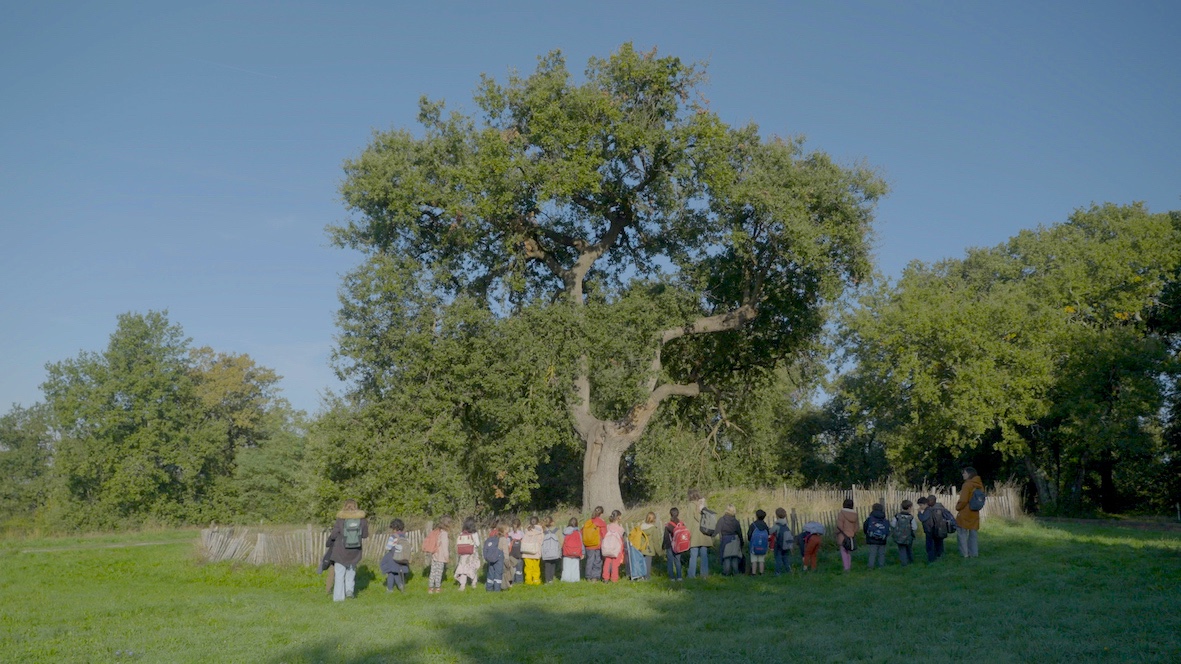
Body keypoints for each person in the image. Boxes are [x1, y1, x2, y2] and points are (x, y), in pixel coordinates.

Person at [325, 499, 368, 602]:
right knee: (351, 571)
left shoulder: (341, 519)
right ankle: (349, 591)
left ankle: (339, 599)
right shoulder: (362, 519)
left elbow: (334, 534)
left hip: (340, 550)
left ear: (344, 506)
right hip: (355, 551)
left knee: (339, 574)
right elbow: (365, 535)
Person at [956, 467, 984, 558]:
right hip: (975, 512)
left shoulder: (967, 485)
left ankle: (965, 554)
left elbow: (963, 500)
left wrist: (958, 507)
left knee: (962, 533)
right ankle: (974, 554)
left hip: (965, 512)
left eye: (964, 473)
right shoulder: (979, 485)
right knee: (973, 534)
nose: (963, 475)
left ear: (969, 474)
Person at [687, 490, 713, 579]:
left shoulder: (691, 505)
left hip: (694, 532)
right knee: (704, 555)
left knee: (693, 555)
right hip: (704, 532)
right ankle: (704, 575)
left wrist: (688, 533)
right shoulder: (704, 504)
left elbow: (690, 519)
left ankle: (691, 575)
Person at [917, 495, 951, 562]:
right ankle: (940, 558)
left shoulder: (928, 510)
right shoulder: (936, 509)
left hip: (929, 530)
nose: (920, 507)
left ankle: (931, 559)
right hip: (937, 529)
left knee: (930, 546)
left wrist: (919, 513)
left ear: (925, 504)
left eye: (921, 505)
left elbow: (923, 519)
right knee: (939, 544)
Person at [380, 519, 411, 592]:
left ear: (394, 528)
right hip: (402, 557)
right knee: (396, 572)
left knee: (391, 572)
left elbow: (388, 547)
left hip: (393, 557)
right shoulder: (404, 536)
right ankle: (400, 585)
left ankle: (390, 589)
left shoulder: (393, 537)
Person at [453, 517, 481, 591]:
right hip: (472, 553)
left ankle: (462, 585)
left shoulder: (462, 533)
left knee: (463, 569)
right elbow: (478, 544)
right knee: (473, 568)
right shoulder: (474, 533)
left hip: (463, 554)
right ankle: (474, 583)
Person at [717, 504, 744, 576]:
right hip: (734, 539)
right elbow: (739, 532)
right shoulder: (736, 521)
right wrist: (741, 542)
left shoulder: (722, 520)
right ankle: (736, 572)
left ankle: (726, 572)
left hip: (725, 539)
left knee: (726, 557)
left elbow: (717, 530)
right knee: (734, 557)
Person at [427, 516, 451, 594]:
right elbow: (445, 546)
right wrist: (447, 557)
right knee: (439, 572)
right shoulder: (444, 534)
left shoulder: (437, 531)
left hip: (434, 554)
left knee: (433, 571)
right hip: (441, 556)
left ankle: (430, 588)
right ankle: (437, 588)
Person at [582, 507, 607, 582]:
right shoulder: (601, 522)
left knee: (589, 560)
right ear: (601, 514)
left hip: (588, 545)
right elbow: (604, 534)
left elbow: (582, 532)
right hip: (597, 545)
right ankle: (595, 577)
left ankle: (588, 576)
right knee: (597, 561)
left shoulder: (588, 522)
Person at [890, 500, 919, 567]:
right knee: (909, 549)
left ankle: (904, 563)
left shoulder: (897, 516)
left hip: (899, 536)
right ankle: (911, 561)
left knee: (902, 549)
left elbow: (893, 524)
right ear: (909, 508)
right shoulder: (911, 517)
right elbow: (914, 527)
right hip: (909, 537)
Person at [863, 502, 890, 569]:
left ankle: (870, 566)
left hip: (872, 539)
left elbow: (865, 527)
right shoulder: (884, 519)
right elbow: (888, 529)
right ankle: (881, 566)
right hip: (882, 539)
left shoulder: (870, 518)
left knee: (872, 553)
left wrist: (867, 534)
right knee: (881, 554)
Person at [601, 510, 626, 582]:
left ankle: (605, 577)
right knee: (615, 563)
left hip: (607, 548)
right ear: (618, 517)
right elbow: (621, 538)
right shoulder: (620, 529)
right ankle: (614, 578)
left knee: (607, 562)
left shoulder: (607, 526)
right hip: (616, 548)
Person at [836, 498, 858, 572]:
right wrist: (853, 532)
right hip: (851, 535)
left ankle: (846, 568)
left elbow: (839, 525)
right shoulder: (855, 515)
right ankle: (849, 566)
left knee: (843, 552)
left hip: (843, 536)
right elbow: (857, 527)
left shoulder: (841, 514)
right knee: (849, 552)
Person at [664, 507, 686, 581]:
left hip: (670, 545)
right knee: (678, 560)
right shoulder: (682, 523)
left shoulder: (668, 525)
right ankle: (679, 577)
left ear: (670, 514)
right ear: (678, 514)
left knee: (670, 561)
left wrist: (664, 546)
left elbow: (666, 537)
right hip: (679, 545)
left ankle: (672, 577)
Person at [747, 509, 771, 576]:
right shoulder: (765, 526)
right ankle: (761, 573)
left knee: (754, 560)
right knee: (761, 560)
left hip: (754, 546)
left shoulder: (753, 525)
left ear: (756, 516)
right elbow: (768, 535)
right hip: (763, 546)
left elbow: (749, 535)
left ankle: (753, 573)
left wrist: (750, 541)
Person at [636, 511, 659, 580]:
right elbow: (656, 541)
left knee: (641, 563)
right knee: (648, 564)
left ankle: (640, 576)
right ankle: (647, 577)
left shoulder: (641, 527)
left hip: (641, 548)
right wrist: (659, 551)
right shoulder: (653, 529)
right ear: (654, 519)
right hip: (649, 549)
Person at [484, 520, 505, 592]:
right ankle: (497, 589)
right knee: (498, 573)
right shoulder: (501, 535)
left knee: (491, 573)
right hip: (498, 556)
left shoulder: (491, 533)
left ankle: (489, 588)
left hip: (490, 556)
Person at [522, 516, 544, 585]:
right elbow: (541, 541)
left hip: (527, 552)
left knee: (528, 568)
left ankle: (528, 581)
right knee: (536, 568)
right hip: (536, 552)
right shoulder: (540, 531)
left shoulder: (526, 530)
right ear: (538, 522)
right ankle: (536, 580)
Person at [540, 516, 563, 583]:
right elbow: (561, 541)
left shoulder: (543, 531)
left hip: (546, 552)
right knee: (553, 565)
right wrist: (559, 549)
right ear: (552, 522)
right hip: (554, 552)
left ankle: (547, 579)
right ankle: (551, 579)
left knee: (547, 566)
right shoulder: (557, 530)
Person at [561, 517, 583, 583]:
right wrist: (583, 553)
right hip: (576, 552)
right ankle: (575, 579)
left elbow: (562, 542)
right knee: (575, 567)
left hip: (566, 552)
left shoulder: (565, 532)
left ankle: (566, 579)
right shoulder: (578, 533)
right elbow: (581, 543)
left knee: (566, 567)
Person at [772, 507, 793, 575]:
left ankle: (778, 572)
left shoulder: (777, 525)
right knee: (786, 558)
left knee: (778, 559)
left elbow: (770, 532)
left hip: (779, 545)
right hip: (786, 544)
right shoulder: (786, 524)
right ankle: (789, 570)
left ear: (777, 515)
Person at [505, 518, 524, 588]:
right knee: (519, 570)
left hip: (511, 555)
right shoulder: (522, 534)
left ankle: (511, 582)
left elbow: (507, 545)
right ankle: (519, 583)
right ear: (519, 526)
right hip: (519, 555)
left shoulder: (509, 535)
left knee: (511, 570)